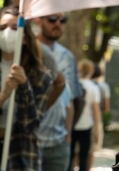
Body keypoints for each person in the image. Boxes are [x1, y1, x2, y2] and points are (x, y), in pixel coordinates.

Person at [0, 6, 52, 170]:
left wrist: (24, 87)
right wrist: (4, 94)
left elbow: (29, 126)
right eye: (2, 28)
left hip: (21, 157)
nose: (7, 33)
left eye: (14, 28)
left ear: (25, 38)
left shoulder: (41, 78)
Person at [32, 13, 84, 171]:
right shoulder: (27, 50)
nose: (58, 24)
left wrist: (68, 137)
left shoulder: (67, 56)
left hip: (58, 144)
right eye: (52, 19)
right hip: (29, 141)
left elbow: (71, 99)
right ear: (38, 20)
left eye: (62, 20)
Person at [71, 60, 101, 171]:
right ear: (91, 71)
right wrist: (97, 130)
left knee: (70, 155)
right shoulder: (93, 88)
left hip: (72, 124)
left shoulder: (73, 85)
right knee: (84, 156)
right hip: (86, 124)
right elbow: (96, 110)